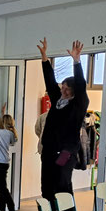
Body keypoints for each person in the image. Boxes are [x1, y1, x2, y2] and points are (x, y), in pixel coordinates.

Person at [36, 38, 89, 201]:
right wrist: (44, 58)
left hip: (66, 152)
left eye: (67, 90)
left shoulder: (79, 104)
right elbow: (50, 81)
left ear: (74, 92)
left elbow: (80, 85)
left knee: (61, 185)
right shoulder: (57, 100)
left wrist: (77, 62)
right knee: (47, 187)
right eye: (63, 88)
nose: (63, 92)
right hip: (49, 150)